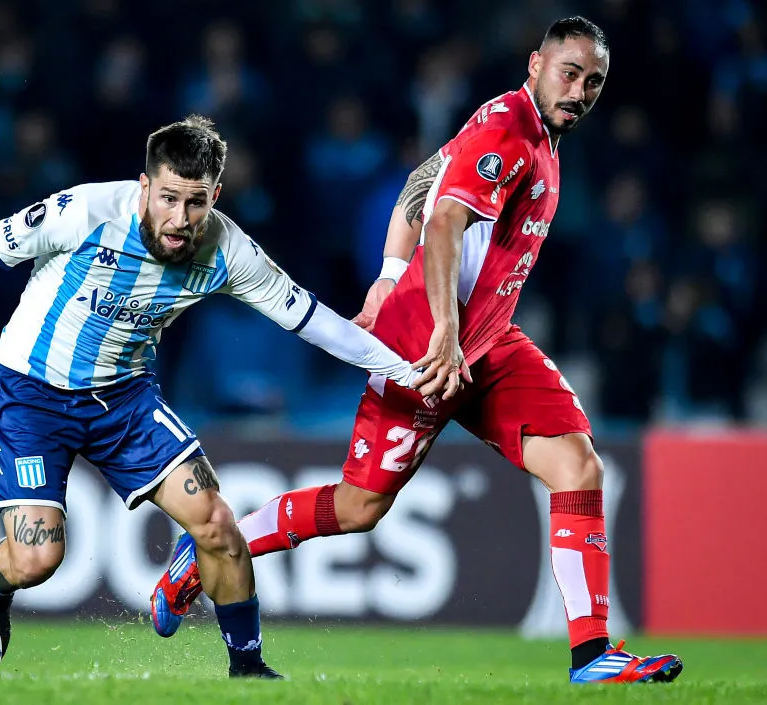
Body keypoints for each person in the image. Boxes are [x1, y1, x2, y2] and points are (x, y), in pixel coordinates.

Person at [150, 18, 685, 685]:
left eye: (594, 82)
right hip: (421, 350)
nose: (579, 90)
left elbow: (423, 178)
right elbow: (444, 217)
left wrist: (385, 273)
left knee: (578, 464)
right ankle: (198, 555)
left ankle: (592, 655)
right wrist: (437, 326)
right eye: (569, 73)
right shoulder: (508, 132)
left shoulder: (526, 129)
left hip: (485, 343)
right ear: (535, 64)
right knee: (359, 508)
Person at [0, 115, 431, 679]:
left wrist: (407, 371)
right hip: (31, 394)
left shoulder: (229, 251)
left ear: (214, 196)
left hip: (124, 401)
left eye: (195, 202)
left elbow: (314, 321)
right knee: (37, 558)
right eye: (167, 198)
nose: (179, 218)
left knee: (215, 521)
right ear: (144, 186)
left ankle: (250, 673)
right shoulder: (82, 213)